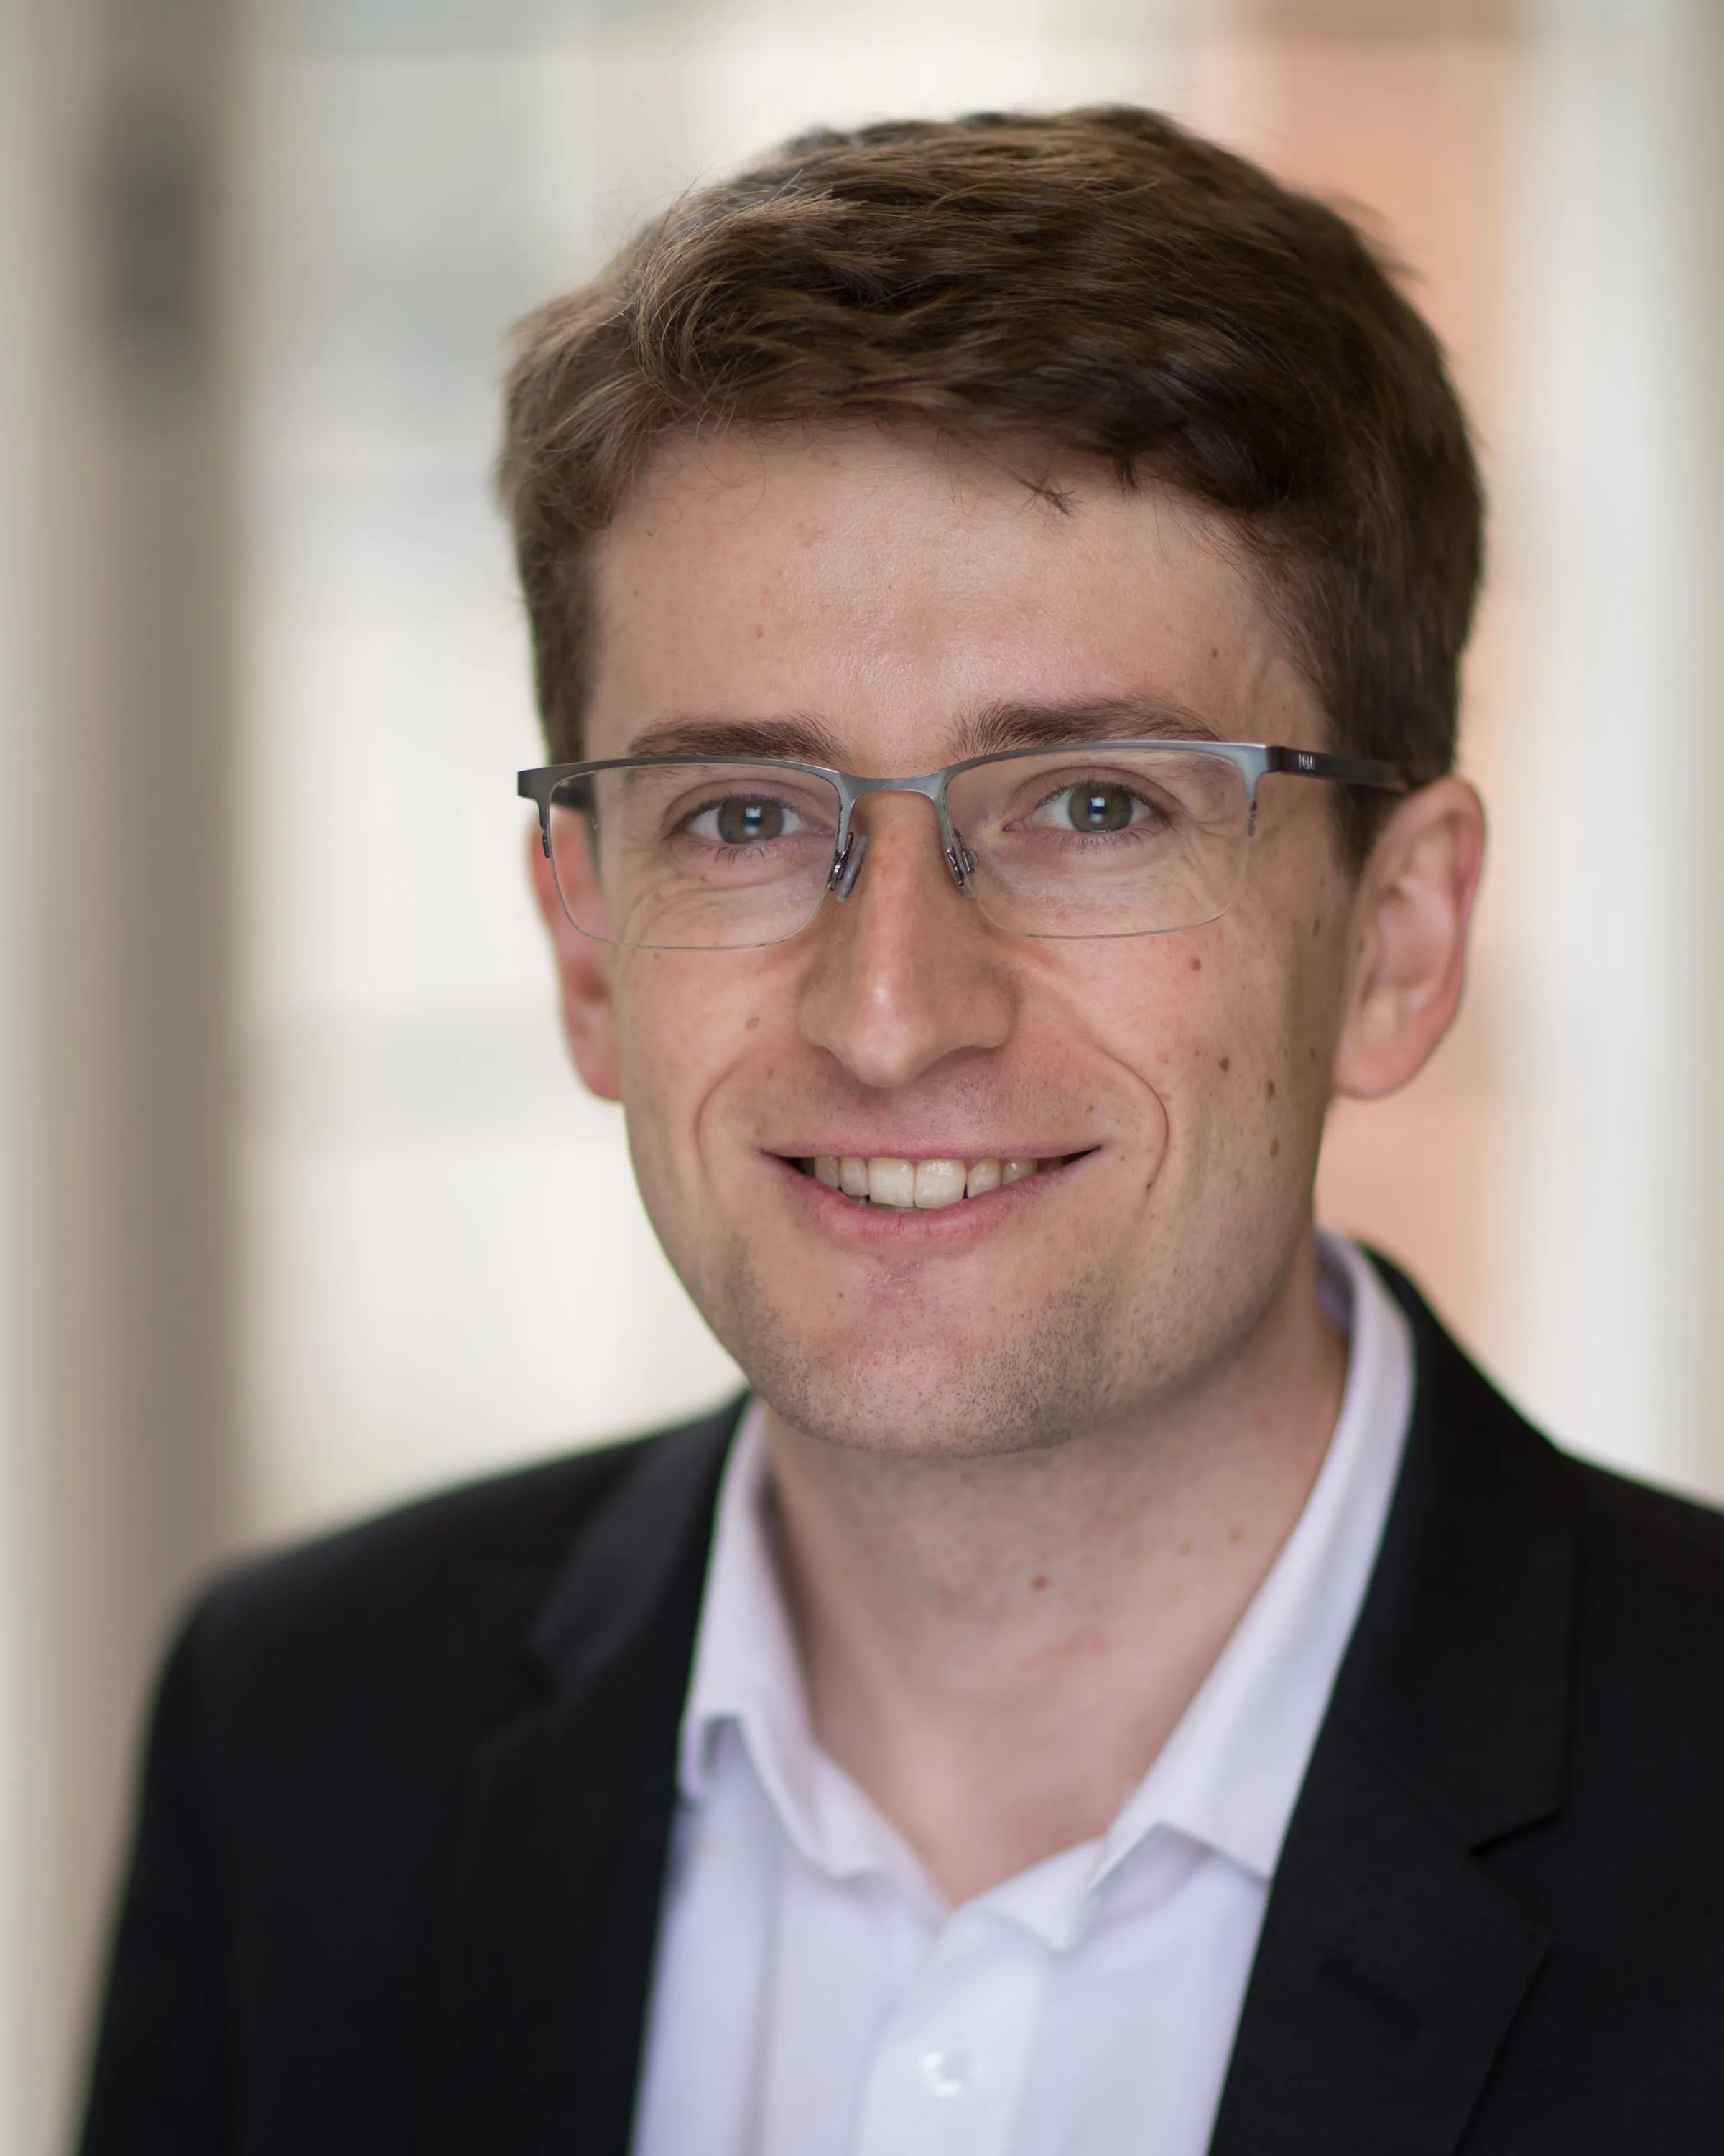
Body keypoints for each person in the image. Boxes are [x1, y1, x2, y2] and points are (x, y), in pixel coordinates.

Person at [80, 107, 1724, 2156]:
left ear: (1395, 940)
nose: (889, 1013)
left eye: (1095, 806)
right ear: (587, 949)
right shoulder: (301, 1743)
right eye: (743, 817)